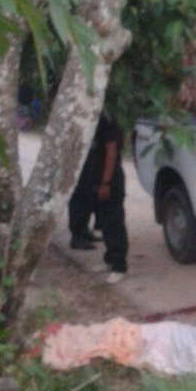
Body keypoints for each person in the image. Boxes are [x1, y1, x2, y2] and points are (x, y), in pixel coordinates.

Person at [69, 111, 128, 284]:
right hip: (94, 177)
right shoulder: (89, 114)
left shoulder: (105, 118)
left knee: (114, 223)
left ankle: (119, 266)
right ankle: (110, 259)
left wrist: (105, 182)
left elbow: (111, 150)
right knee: (104, 222)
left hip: (108, 179)